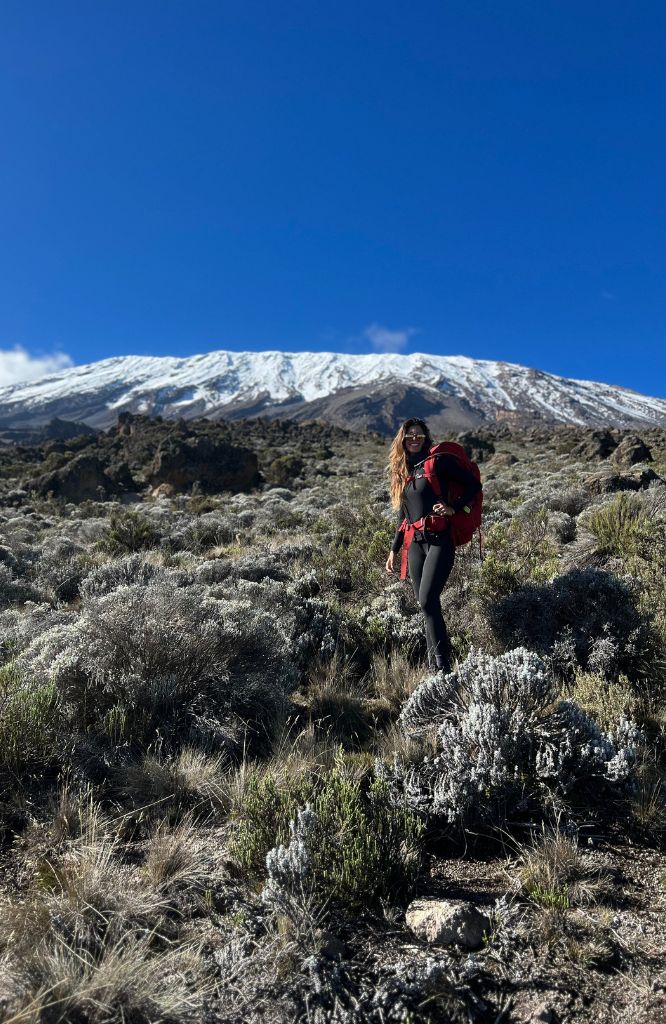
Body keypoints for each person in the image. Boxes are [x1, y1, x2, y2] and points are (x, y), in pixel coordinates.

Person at [384, 418, 482, 673]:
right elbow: (403, 515)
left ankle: (442, 666)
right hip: (414, 544)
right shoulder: (404, 471)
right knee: (425, 604)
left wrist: (454, 507)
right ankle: (434, 666)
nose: (414, 438)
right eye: (409, 435)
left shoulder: (438, 462)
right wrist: (394, 549)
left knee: (428, 600)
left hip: (439, 540)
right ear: (402, 440)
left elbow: (474, 484)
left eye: (418, 434)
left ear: (426, 437)